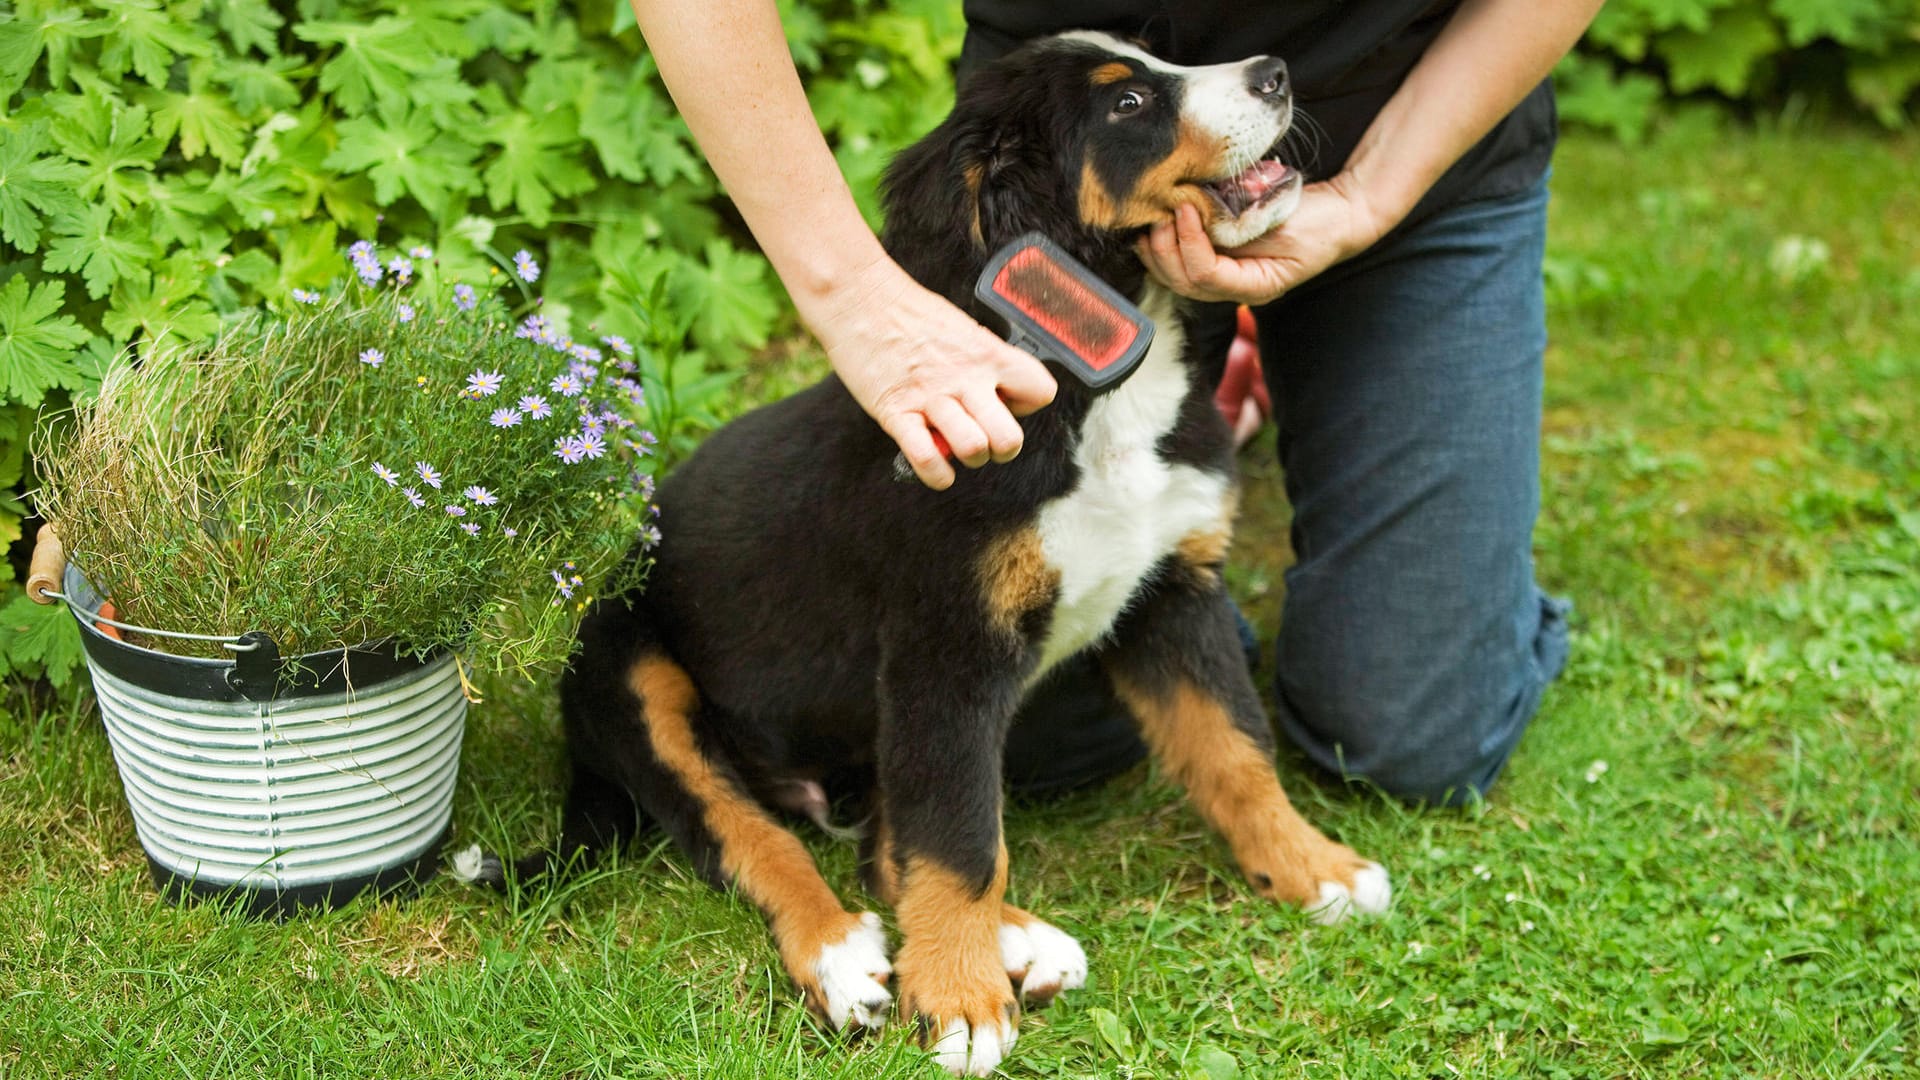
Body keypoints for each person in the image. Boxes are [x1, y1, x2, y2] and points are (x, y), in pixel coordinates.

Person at [627, 0, 1604, 806]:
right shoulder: (1022, 151)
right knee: (1015, 727)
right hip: (1068, 219)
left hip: (1411, 136)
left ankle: (1271, 419)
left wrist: (1370, 198)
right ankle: (1200, 440)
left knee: (1409, 741)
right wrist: (855, 296)